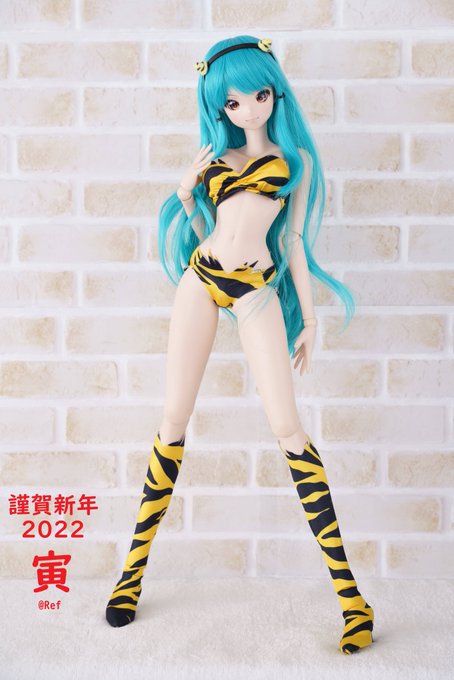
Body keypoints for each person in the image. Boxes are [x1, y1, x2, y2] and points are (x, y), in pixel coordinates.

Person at [105, 34, 375, 655]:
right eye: (232, 103)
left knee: (289, 428)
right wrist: (184, 195)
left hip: (256, 289)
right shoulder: (215, 159)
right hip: (202, 281)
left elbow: (294, 243)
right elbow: (210, 227)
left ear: (274, 93)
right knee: (172, 420)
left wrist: (310, 318)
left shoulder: (295, 161)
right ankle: (130, 575)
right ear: (219, 108)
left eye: (257, 95)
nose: (247, 109)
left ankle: (351, 598)